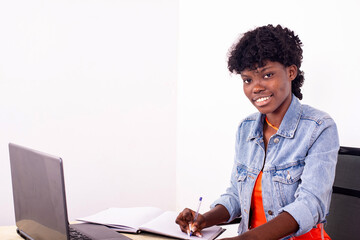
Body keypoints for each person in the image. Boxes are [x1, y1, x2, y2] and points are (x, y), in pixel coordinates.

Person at [175, 24, 339, 240]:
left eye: (267, 74)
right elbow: (236, 195)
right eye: (247, 80)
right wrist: (204, 219)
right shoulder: (246, 129)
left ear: (291, 72)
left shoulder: (319, 127)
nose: (256, 87)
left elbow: (310, 204)